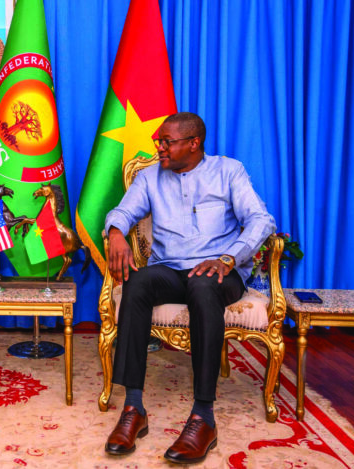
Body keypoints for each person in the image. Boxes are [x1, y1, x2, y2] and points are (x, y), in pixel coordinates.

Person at [103, 112, 275, 464]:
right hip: (170, 270)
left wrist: (228, 258)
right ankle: (133, 408)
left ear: (194, 143)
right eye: (158, 141)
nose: (159, 147)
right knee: (137, 281)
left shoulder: (229, 171)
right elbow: (122, 212)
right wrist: (116, 233)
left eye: (167, 142)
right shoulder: (150, 177)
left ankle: (203, 417)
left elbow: (261, 219)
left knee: (202, 284)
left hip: (219, 273)